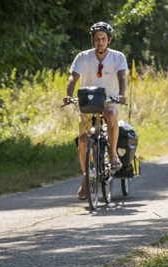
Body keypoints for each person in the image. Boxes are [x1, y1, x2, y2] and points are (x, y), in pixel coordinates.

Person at [63, 22, 128, 200]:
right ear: (93, 40)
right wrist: (68, 95)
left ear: (109, 40)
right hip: (88, 102)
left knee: (111, 114)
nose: (100, 42)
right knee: (83, 141)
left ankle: (113, 155)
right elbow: (73, 78)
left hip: (109, 100)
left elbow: (122, 77)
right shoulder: (83, 57)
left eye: (103, 39)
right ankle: (86, 180)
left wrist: (121, 95)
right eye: (97, 39)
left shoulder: (118, 57)